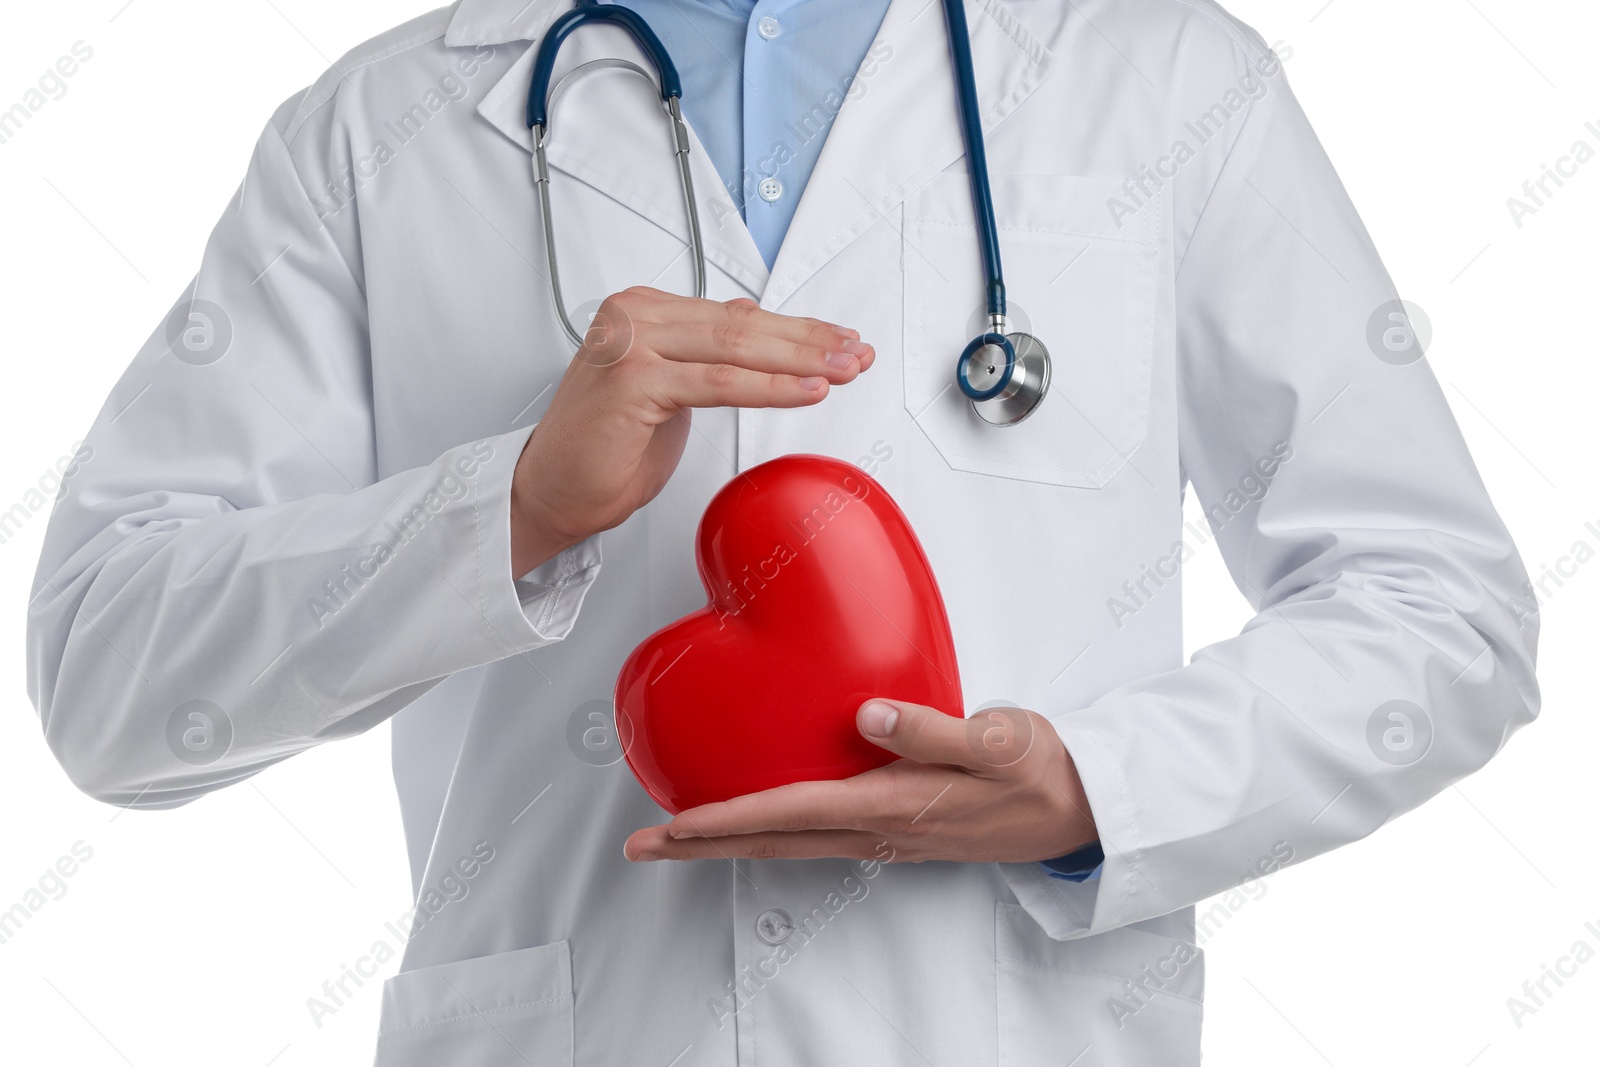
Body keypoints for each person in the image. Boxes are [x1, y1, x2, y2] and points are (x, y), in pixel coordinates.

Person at [27, 0, 1539, 1064]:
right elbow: (109, 672)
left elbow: (1438, 606)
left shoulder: (1160, 77)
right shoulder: (380, 128)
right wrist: (509, 507)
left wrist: (1096, 789)